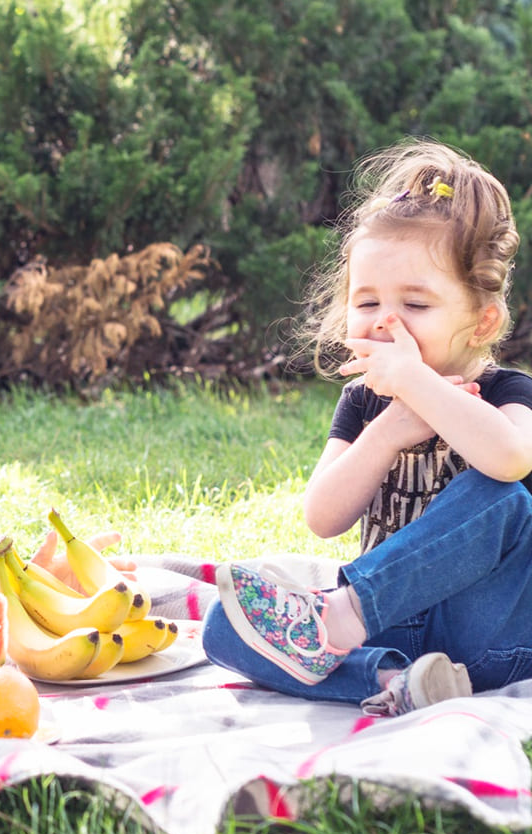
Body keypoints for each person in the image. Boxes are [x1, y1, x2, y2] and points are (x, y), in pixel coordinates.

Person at [204, 139, 532, 716]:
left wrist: (419, 387)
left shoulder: (507, 393)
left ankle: (345, 616)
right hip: (391, 635)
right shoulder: (363, 403)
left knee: (504, 497)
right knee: (222, 626)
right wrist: (388, 432)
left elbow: (509, 462)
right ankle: (392, 682)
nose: (386, 321)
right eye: (367, 302)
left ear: (481, 322)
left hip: (488, 631)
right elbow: (323, 517)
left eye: (416, 305)